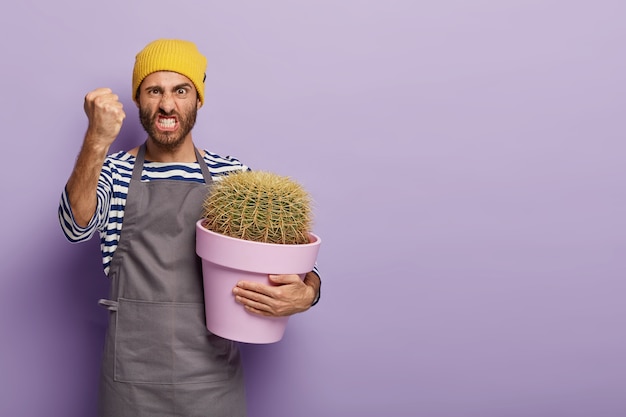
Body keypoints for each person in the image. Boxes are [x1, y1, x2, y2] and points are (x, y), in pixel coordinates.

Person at [58, 39, 321, 417]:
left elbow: (286, 259)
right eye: (154, 91)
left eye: (181, 91)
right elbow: (74, 226)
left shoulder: (234, 178)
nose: (167, 105)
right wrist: (97, 141)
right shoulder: (112, 172)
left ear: (198, 99)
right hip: (130, 384)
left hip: (212, 384)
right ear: (137, 101)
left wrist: (308, 293)